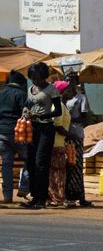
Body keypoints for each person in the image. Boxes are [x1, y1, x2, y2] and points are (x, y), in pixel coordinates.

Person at [23, 62, 62, 209]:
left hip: (46, 128)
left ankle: (42, 198)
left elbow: (57, 111)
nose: (36, 81)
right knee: (30, 162)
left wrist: (42, 114)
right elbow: (27, 105)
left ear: (44, 76)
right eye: (33, 78)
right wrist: (26, 112)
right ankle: (34, 196)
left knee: (41, 163)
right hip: (32, 128)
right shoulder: (30, 89)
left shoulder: (52, 89)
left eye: (38, 78)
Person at [60, 80, 92, 207]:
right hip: (64, 135)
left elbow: (84, 117)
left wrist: (68, 118)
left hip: (76, 134)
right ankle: (67, 195)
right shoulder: (63, 99)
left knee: (76, 165)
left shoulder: (81, 98)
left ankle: (79, 196)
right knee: (67, 166)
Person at [0, 71, 28, 203]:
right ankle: (24, 187)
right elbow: (26, 114)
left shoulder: (0, 93)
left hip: (2, 134)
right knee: (30, 160)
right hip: (19, 133)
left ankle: (7, 195)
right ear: (21, 82)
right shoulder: (21, 94)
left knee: (6, 164)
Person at [48, 81, 72, 206]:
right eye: (68, 90)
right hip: (56, 143)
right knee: (58, 171)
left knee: (56, 171)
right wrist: (70, 135)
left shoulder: (62, 105)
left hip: (59, 142)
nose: (71, 92)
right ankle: (57, 197)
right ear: (61, 92)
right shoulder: (59, 106)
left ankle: (55, 197)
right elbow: (57, 125)